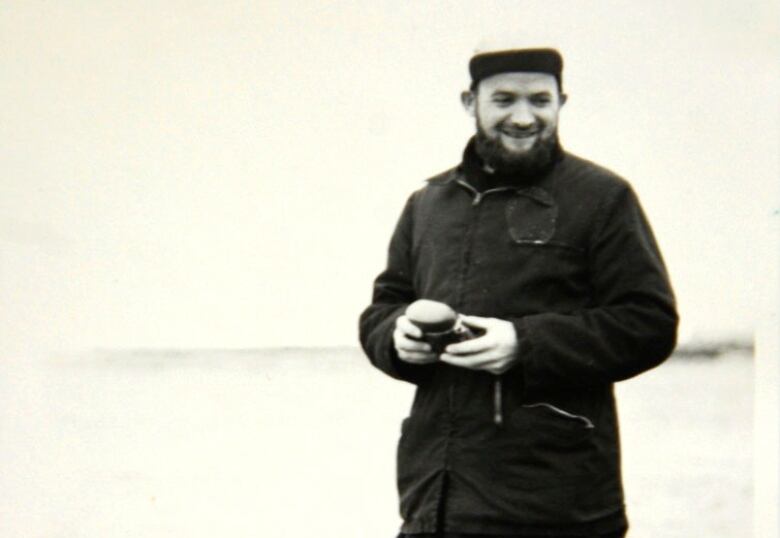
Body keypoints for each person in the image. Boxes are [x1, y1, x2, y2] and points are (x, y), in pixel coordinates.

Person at [358, 47, 678, 538]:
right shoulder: (427, 203)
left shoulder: (603, 197)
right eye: (504, 99)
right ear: (471, 102)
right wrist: (396, 339)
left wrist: (524, 345)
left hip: (558, 508)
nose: (523, 117)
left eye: (540, 100)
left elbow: (649, 323)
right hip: (435, 506)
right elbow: (384, 306)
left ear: (561, 102)